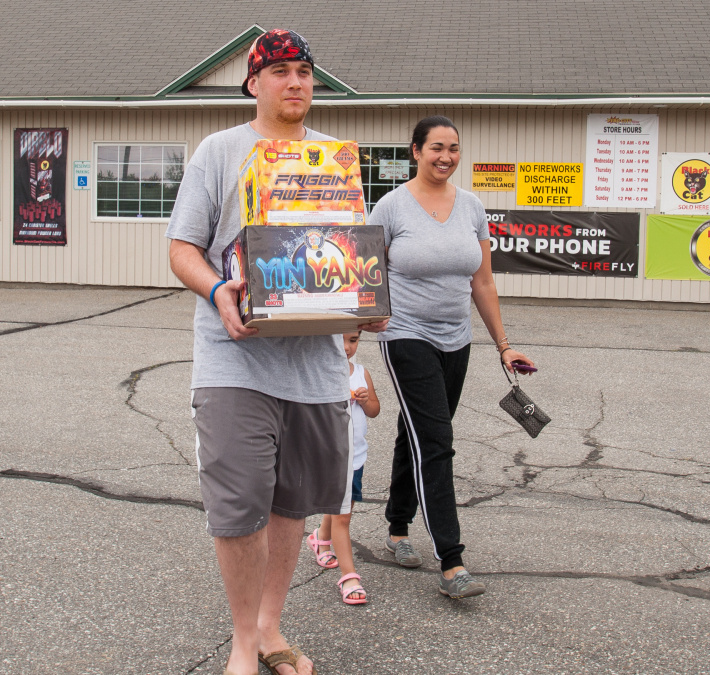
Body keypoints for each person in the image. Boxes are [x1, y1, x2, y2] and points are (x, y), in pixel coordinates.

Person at [165, 29, 385, 675]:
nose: (296, 82)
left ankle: (270, 627)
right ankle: (239, 640)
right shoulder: (221, 151)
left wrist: (365, 298)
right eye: (282, 70)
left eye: (306, 72)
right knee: (239, 504)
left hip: (316, 368)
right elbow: (183, 248)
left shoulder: (335, 160)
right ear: (254, 82)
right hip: (235, 358)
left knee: (293, 502)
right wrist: (217, 293)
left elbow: (345, 255)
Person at [368, 115, 534, 599]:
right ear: (415, 151)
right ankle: (451, 561)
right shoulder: (391, 207)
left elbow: (481, 281)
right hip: (405, 334)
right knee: (437, 440)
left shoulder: (472, 207)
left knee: (417, 433)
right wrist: (359, 327)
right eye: (436, 147)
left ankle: (397, 527)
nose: (446, 156)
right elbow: (367, 273)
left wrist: (504, 346)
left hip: (455, 338)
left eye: (454, 148)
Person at [306, 330, 380, 605]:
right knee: (343, 516)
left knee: (340, 506)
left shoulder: (361, 373)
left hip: (356, 456)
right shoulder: (318, 371)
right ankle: (350, 577)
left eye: (354, 340)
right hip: (330, 455)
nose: (347, 347)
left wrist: (364, 400)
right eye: (340, 339)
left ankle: (320, 538)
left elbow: (374, 410)